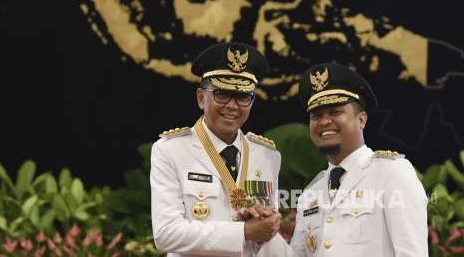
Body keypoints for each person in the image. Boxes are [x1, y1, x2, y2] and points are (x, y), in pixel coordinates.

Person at [150, 42, 291, 257]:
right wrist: (243, 231)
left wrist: (268, 223)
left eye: (243, 97)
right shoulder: (170, 150)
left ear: (252, 102)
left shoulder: (268, 156)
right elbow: (166, 234)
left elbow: (264, 236)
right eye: (222, 95)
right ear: (201, 98)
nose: (232, 106)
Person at [290, 63, 428, 256]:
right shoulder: (311, 194)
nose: (324, 121)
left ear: (361, 119)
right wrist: (263, 233)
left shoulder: (391, 172)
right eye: (316, 115)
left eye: (335, 112)